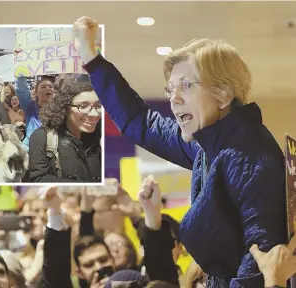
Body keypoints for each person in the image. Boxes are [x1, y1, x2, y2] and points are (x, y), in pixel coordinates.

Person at [73, 17, 286, 287]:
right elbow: (142, 122)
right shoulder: (213, 146)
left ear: (223, 94)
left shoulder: (247, 155)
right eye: (170, 89)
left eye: (186, 85)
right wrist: (92, 58)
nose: (173, 99)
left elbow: (259, 265)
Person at [40, 179, 178, 288]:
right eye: (89, 265)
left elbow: (162, 278)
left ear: (112, 259)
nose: (99, 268)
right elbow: (55, 279)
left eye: (103, 260)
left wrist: (150, 216)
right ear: (79, 272)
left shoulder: (132, 279)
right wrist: (55, 214)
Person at [28, 82, 102, 183]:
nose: (94, 114)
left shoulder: (102, 136)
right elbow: (38, 178)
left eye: (98, 106)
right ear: (65, 108)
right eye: (83, 106)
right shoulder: (42, 137)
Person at [23, 76, 55, 151]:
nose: (47, 88)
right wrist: (22, 72)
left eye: (50, 86)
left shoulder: (59, 109)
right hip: (30, 149)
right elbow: (22, 90)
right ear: (36, 92)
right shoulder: (30, 106)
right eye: (43, 87)